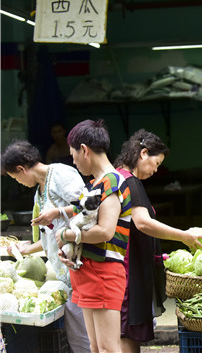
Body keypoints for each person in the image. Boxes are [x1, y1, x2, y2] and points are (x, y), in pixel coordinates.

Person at [33, 119, 131, 353]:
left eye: (73, 155)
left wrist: (65, 234)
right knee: (95, 348)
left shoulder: (112, 181)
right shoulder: (93, 185)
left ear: (84, 150)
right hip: (87, 271)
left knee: (107, 348)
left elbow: (105, 231)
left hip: (104, 272)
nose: (73, 161)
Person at [113, 129, 202, 353]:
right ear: (143, 153)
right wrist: (184, 236)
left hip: (127, 265)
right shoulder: (130, 182)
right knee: (125, 329)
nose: (156, 170)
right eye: (156, 162)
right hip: (128, 268)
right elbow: (142, 223)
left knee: (128, 328)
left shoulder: (116, 177)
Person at [1, 140, 91, 353]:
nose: (19, 183)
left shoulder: (62, 174)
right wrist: (25, 250)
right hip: (66, 276)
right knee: (78, 338)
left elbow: (88, 208)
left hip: (82, 266)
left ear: (21, 169)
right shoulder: (39, 193)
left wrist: (58, 212)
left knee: (87, 338)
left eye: (15, 178)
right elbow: (51, 236)